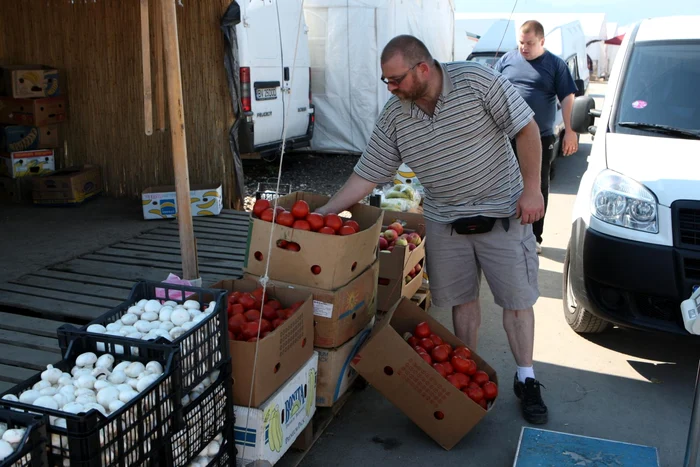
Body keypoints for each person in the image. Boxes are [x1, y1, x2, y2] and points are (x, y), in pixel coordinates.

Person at [316, 35, 549, 424]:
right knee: (462, 303)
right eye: (385, 81)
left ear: (423, 68)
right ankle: (467, 374)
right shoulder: (396, 113)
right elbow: (368, 173)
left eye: (396, 79)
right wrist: (325, 212)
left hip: (504, 213)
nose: (390, 88)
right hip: (445, 221)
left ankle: (526, 377)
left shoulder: (477, 81)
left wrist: (532, 189)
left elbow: (526, 129)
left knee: (516, 302)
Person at [494, 20, 579, 254]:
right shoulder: (506, 61)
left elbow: (567, 98)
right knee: (503, 184)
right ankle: (505, 232)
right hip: (504, 135)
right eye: (521, 42)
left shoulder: (555, 65)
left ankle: (534, 237)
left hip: (539, 138)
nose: (524, 47)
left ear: (541, 41)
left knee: (537, 185)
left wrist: (571, 131)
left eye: (529, 43)